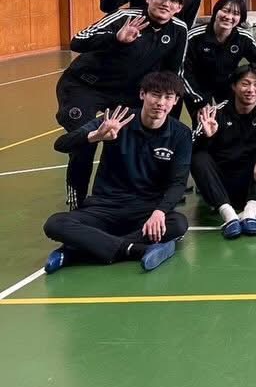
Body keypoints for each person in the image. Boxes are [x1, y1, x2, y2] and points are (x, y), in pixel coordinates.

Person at [56, 0, 190, 209]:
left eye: (173, 1)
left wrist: (167, 112)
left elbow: (172, 74)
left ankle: (127, 194)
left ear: (179, 8)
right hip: (85, 86)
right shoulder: (124, 17)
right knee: (87, 140)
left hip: (126, 93)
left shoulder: (179, 30)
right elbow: (77, 41)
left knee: (134, 138)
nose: (166, 3)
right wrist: (115, 38)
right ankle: (77, 202)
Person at [42, 72, 192, 274]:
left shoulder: (181, 134)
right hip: (105, 207)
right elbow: (61, 144)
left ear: (175, 101)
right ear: (142, 94)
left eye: (168, 97)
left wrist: (160, 212)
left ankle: (77, 250)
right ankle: (133, 249)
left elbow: (178, 182)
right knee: (55, 223)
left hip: (145, 211)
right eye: (155, 95)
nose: (161, 102)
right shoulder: (117, 119)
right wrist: (95, 136)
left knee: (178, 224)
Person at [190, 64, 256, 239]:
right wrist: (206, 136)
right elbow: (190, 145)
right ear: (234, 86)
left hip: (253, 183)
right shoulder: (215, 113)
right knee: (198, 156)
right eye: (245, 84)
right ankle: (229, 216)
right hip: (220, 187)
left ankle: (250, 213)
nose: (251, 90)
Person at [183, 0, 256, 120]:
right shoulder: (194, 37)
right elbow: (184, 72)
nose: (229, 17)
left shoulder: (243, 37)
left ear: (241, 18)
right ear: (216, 11)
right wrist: (199, 101)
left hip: (227, 85)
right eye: (225, 11)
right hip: (198, 86)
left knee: (232, 121)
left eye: (236, 14)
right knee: (204, 122)